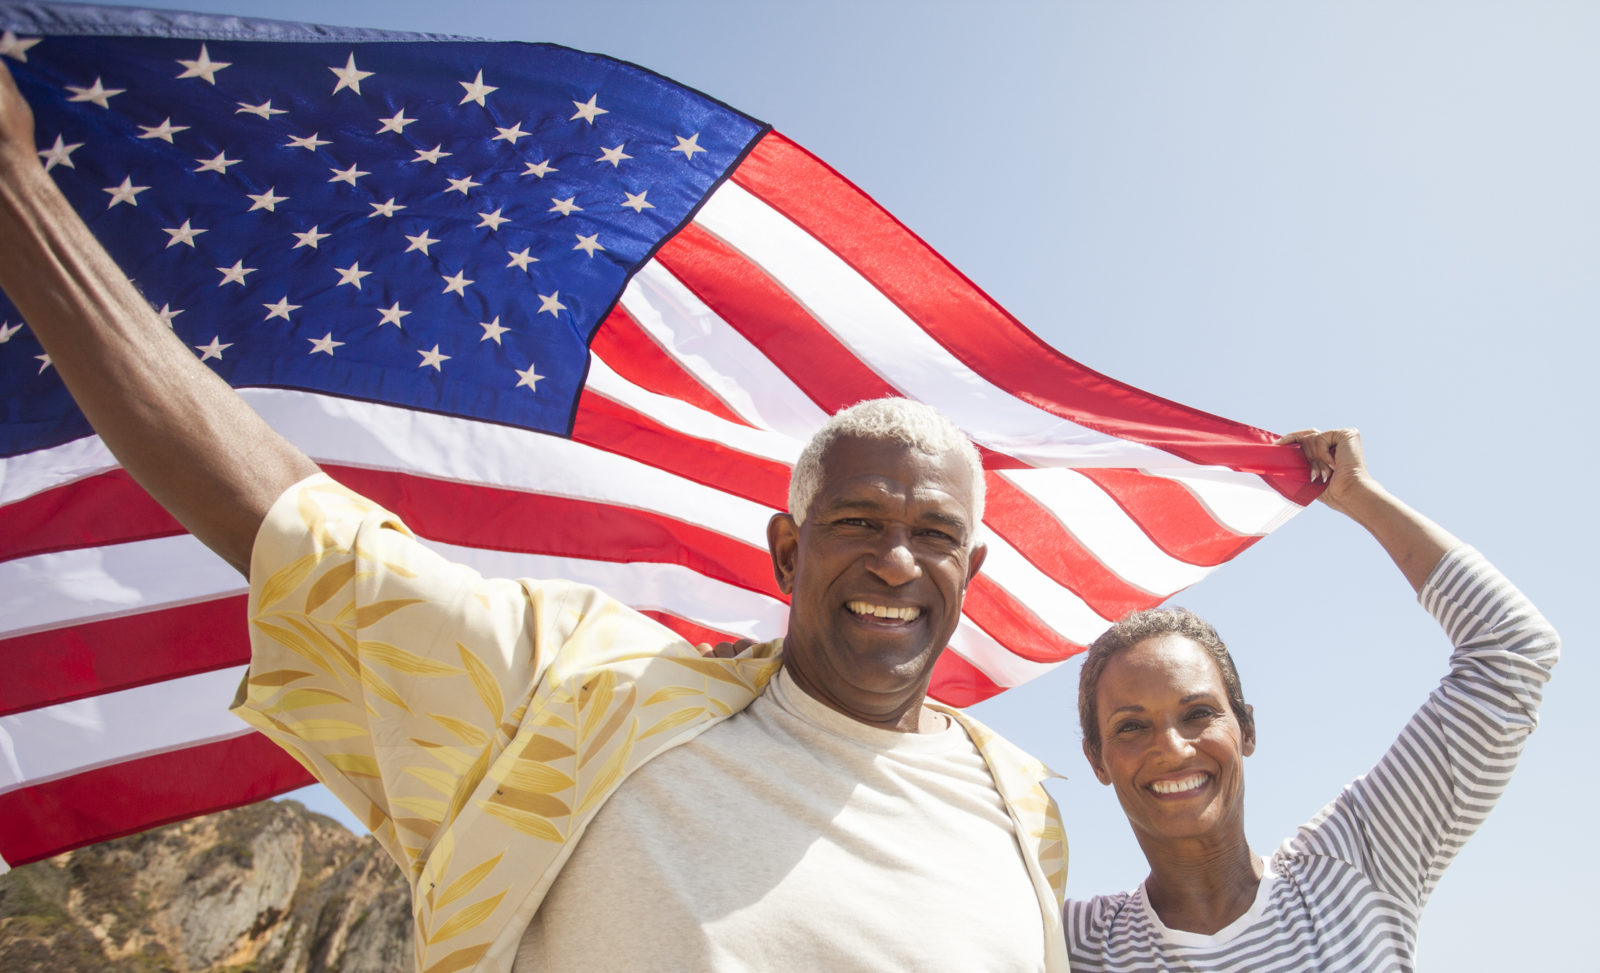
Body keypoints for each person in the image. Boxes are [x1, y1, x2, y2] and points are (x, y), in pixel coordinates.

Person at [0, 64, 1067, 972]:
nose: (894, 560)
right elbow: (291, 525)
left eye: (932, 534)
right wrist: (23, 201)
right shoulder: (583, 697)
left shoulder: (1020, 810)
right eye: (856, 522)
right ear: (787, 550)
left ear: (969, 569)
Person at [1064, 426, 1559, 972]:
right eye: (1131, 727)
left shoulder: (1359, 865)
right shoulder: (1071, 944)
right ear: (1097, 758)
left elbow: (1514, 646)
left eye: (1198, 713)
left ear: (1246, 729)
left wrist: (1357, 495)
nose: (1174, 748)